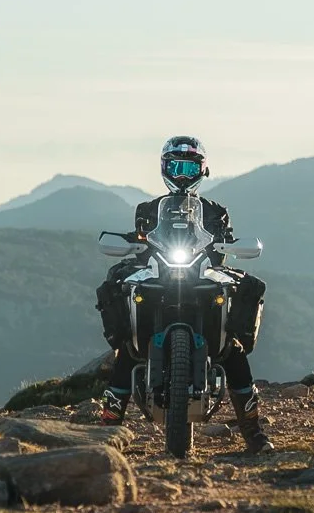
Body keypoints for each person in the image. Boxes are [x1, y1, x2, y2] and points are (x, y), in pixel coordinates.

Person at [95, 137, 272, 453]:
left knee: (231, 347)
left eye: (189, 166)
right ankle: (106, 433)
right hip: (160, 274)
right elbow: (139, 241)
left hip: (200, 275)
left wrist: (227, 249)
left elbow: (224, 248)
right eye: (175, 166)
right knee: (128, 346)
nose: (181, 173)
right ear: (164, 168)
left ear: (202, 170)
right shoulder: (149, 209)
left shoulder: (215, 211)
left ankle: (254, 434)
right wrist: (131, 244)